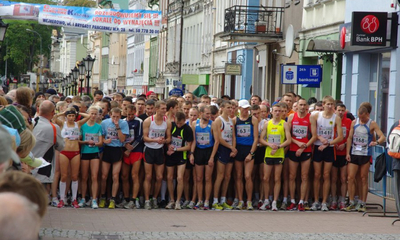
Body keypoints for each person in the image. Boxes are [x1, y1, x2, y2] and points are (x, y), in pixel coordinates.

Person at [346, 103, 385, 212]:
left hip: (365, 154)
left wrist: (376, 142)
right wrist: (347, 153)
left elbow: (382, 136)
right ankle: (352, 201)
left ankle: (362, 203)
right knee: (350, 178)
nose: (361, 120)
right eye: (359, 117)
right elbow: (349, 138)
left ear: (367, 115)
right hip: (354, 153)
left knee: (363, 179)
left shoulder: (372, 124)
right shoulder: (354, 122)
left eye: (363, 117)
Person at [311, 96, 343, 211]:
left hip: (329, 148)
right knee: (317, 175)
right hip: (318, 147)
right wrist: (320, 138)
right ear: (323, 104)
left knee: (326, 175)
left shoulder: (336, 118)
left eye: (332, 104)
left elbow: (340, 137)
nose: (330, 106)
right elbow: (313, 132)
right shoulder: (316, 115)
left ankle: (324, 201)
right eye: (328, 104)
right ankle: (316, 201)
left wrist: (328, 143)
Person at [259, 103, 291, 211]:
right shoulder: (267, 124)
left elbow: (288, 140)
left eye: (279, 111)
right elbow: (261, 139)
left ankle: (274, 202)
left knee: (277, 178)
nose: (277, 113)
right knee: (266, 178)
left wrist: (279, 146)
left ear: (282, 112)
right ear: (272, 112)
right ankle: (266, 200)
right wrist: (269, 145)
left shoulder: (284, 124)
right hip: (268, 153)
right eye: (275, 111)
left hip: (279, 154)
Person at [286, 98, 317, 211]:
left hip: (306, 150)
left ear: (307, 107)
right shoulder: (291, 117)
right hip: (294, 149)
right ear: (297, 106)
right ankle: (293, 200)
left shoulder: (311, 118)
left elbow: (314, 136)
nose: (302, 107)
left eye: (304, 105)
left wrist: (304, 146)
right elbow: (288, 134)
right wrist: (297, 143)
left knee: (304, 177)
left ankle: (302, 201)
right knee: (292, 176)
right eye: (301, 105)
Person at [57, 107, 89, 208]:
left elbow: (88, 116)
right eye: (69, 116)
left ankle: (74, 199)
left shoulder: (77, 124)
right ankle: (62, 198)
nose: (71, 118)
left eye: (73, 116)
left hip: (75, 152)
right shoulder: (63, 124)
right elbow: (53, 118)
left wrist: (79, 112)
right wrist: (62, 113)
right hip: (64, 151)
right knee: (64, 176)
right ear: (66, 117)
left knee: (75, 176)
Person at [142, 101, 172, 209]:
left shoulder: (167, 122)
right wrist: (155, 139)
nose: (165, 111)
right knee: (148, 176)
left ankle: (154, 198)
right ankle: (146, 200)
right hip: (149, 149)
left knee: (159, 177)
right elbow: (144, 137)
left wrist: (164, 141)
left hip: (159, 150)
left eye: (165, 109)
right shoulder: (148, 121)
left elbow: (169, 138)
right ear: (157, 109)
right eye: (163, 109)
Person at [99, 107, 129, 209]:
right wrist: (104, 140)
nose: (115, 118)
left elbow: (122, 139)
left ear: (120, 116)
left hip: (117, 149)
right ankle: (103, 197)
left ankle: (113, 198)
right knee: (104, 176)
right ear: (110, 115)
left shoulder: (123, 123)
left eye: (117, 117)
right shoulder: (104, 123)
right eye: (113, 116)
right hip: (108, 149)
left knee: (115, 176)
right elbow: (101, 137)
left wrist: (117, 126)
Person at [190, 105, 218, 210]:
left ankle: (206, 200)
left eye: (210, 114)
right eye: (207, 113)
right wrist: (192, 153)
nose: (209, 115)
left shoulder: (213, 124)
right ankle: (199, 200)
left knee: (208, 178)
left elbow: (217, 141)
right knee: (198, 178)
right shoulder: (194, 124)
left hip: (209, 151)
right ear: (201, 114)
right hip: (198, 151)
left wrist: (212, 157)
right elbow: (193, 140)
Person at [31, 100, 65, 188]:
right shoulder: (53, 128)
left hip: (26, 165)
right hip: (42, 167)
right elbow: (61, 146)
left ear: (38, 109)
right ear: (53, 112)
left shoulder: (29, 122)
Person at [232, 99, 258, 210]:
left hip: (249, 149)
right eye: (244, 109)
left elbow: (256, 138)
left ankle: (249, 201)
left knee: (248, 176)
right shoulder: (235, 120)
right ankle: (240, 200)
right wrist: (233, 149)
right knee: (238, 176)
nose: (246, 111)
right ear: (239, 109)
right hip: (238, 149)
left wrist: (251, 153)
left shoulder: (253, 120)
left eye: (248, 108)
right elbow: (233, 137)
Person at [164, 111, 194, 210]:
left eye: (180, 123)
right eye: (177, 122)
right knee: (169, 177)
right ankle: (171, 200)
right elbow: (167, 139)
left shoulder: (188, 129)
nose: (178, 125)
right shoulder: (171, 125)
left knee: (180, 178)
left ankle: (178, 201)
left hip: (181, 155)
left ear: (185, 121)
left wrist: (176, 149)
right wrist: (169, 147)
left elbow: (188, 146)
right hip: (170, 155)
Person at [212, 100, 237, 210]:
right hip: (223, 149)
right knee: (220, 176)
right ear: (221, 108)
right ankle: (215, 200)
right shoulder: (218, 120)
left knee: (227, 176)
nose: (230, 110)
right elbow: (219, 139)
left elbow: (233, 136)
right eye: (228, 107)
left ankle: (223, 199)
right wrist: (230, 147)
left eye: (231, 107)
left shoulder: (231, 120)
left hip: (231, 149)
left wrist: (233, 148)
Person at [79, 106, 103, 209]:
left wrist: (95, 143)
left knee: (94, 176)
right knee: (84, 177)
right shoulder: (83, 126)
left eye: (95, 114)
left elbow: (101, 142)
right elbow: (79, 140)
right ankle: (83, 198)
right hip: (85, 152)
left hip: (94, 153)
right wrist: (86, 142)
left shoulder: (98, 127)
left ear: (98, 115)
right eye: (91, 114)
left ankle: (94, 199)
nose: (93, 116)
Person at [120, 104, 143, 209]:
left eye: (132, 114)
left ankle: (133, 199)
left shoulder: (139, 121)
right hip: (125, 150)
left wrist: (130, 148)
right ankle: (126, 198)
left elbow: (139, 137)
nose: (130, 116)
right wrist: (125, 146)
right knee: (124, 176)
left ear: (135, 112)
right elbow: (120, 136)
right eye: (128, 114)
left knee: (134, 175)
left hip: (136, 150)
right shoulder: (123, 121)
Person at [331, 103, 352, 210]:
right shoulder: (332, 120)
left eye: (342, 110)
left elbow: (350, 137)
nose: (340, 112)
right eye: (339, 110)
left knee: (343, 178)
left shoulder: (349, 122)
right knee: (334, 178)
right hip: (334, 152)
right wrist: (334, 143)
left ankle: (342, 200)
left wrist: (344, 145)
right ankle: (334, 200)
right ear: (335, 110)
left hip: (343, 153)